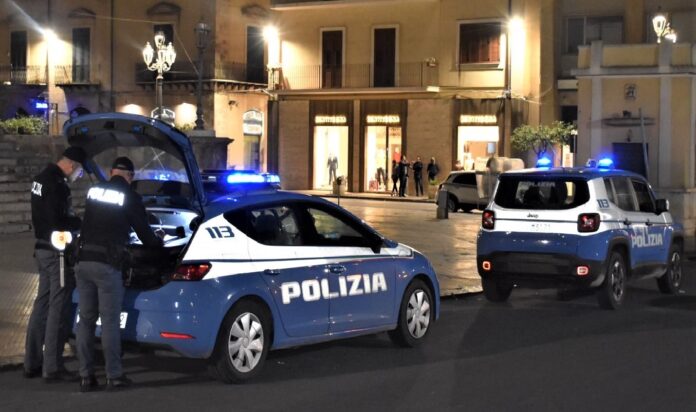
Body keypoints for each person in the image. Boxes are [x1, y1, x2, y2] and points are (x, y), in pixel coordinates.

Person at [75, 157, 163, 392]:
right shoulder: (130, 196)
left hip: (83, 261)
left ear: (112, 172)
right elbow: (144, 233)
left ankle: (85, 376)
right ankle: (114, 376)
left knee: (86, 320)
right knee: (110, 322)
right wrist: (158, 241)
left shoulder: (95, 191)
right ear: (130, 176)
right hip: (107, 265)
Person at [24, 147, 86, 382]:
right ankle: (52, 366)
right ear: (71, 165)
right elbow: (58, 220)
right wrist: (79, 222)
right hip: (56, 252)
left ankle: (32, 362)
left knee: (41, 304)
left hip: (41, 248)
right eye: (79, 170)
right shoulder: (58, 185)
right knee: (58, 308)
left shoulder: (40, 179)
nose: (78, 175)